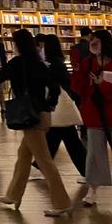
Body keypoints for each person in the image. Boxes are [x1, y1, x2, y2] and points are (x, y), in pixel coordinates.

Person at [0, 29, 71, 217]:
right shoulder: (40, 64)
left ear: (17, 45)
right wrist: (50, 104)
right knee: (23, 155)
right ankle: (13, 195)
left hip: (28, 117)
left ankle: (62, 202)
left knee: (44, 161)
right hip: (42, 114)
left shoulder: (16, 63)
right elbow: (54, 87)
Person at [72, 28, 112, 208]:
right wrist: (80, 74)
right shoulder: (87, 64)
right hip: (94, 115)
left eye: (96, 40)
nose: (93, 43)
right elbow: (77, 87)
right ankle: (93, 190)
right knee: (94, 155)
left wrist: (103, 85)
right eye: (92, 40)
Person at [43, 33, 86, 177]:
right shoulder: (58, 63)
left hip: (59, 107)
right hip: (62, 108)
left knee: (66, 138)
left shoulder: (53, 65)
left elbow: (56, 85)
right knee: (63, 138)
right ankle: (41, 163)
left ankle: (87, 170)